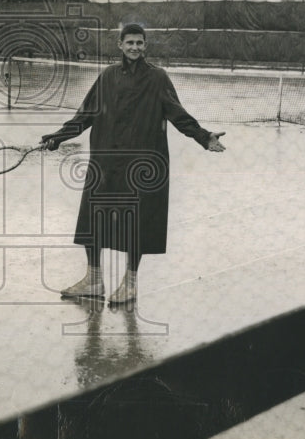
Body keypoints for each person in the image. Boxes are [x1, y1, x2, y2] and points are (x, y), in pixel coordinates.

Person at [40, 23, 225, 305]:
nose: (135, 47)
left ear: (145, 45)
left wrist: (203, 136)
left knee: (136, 222)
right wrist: (58, 136)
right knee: (94, 218)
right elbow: (84, 115)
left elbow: (177, 114)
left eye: (140, 43)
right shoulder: (107, 77)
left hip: (141, 163)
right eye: (130, 43)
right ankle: (93, 279)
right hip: (106, 161)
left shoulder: (158, 78)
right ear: (120, 44)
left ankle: (130, 284)